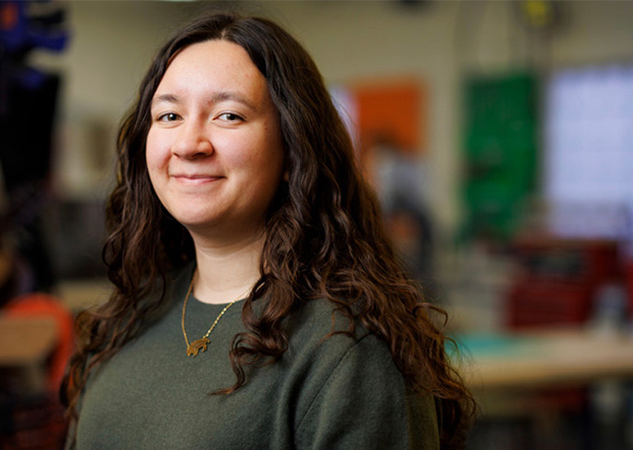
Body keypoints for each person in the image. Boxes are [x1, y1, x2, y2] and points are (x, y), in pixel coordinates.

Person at [62, 12, 474, 449]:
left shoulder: (345, 350)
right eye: (168, 116)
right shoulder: (128, 318)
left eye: (228, 116)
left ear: (293, 147)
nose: (188, 143)